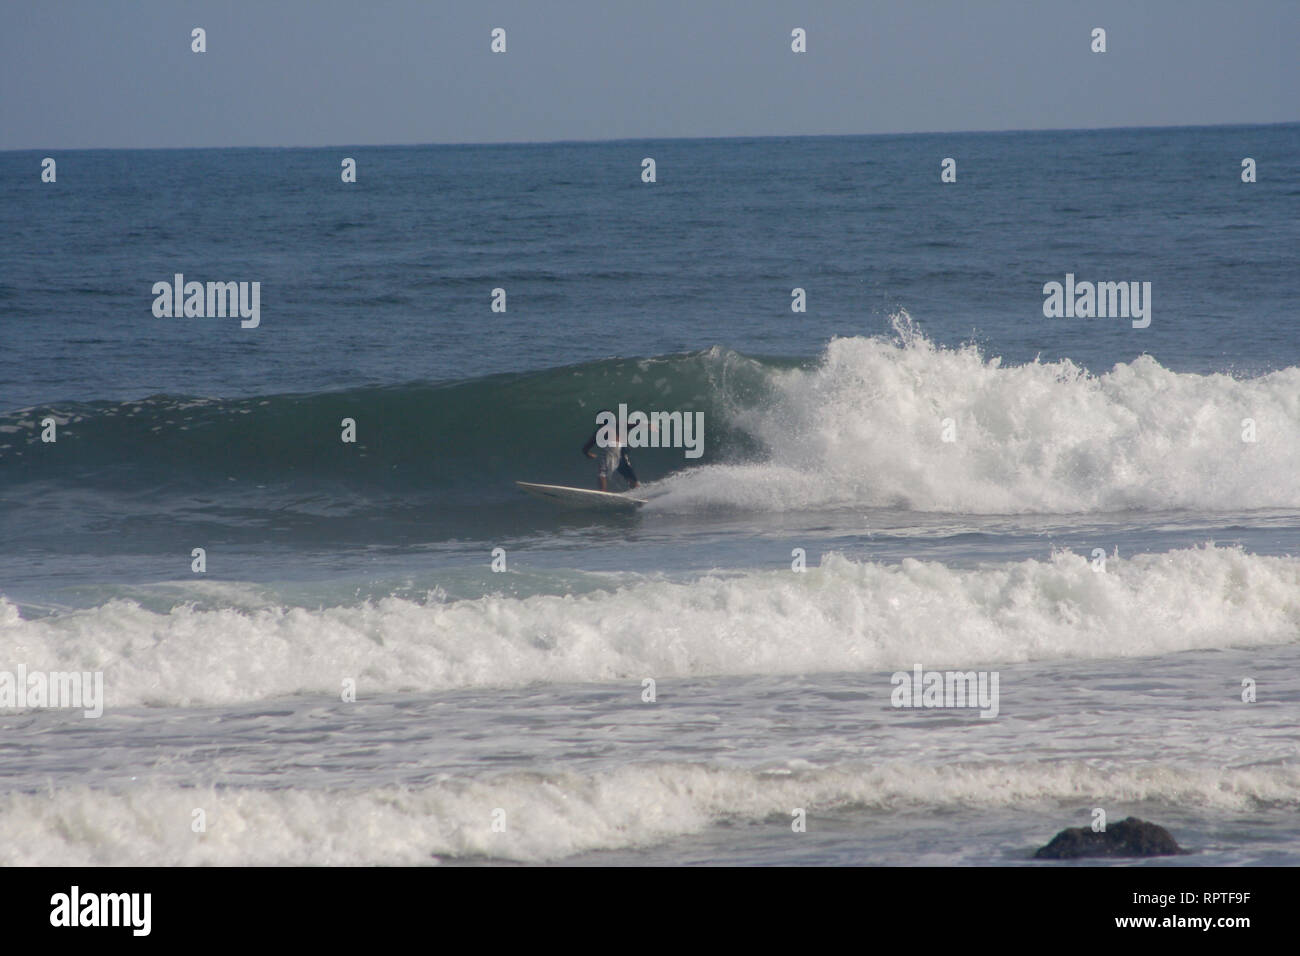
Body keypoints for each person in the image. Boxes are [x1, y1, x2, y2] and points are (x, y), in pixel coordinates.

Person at [582, 410, 639, 491]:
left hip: (612, 448)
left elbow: (587, 446)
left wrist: (587, 453)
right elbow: (634, 425)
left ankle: (603, 491)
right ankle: (637, 489)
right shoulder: (617, 425)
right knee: (626, 471)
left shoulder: (601, 431)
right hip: (623, 449)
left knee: (603, 471)